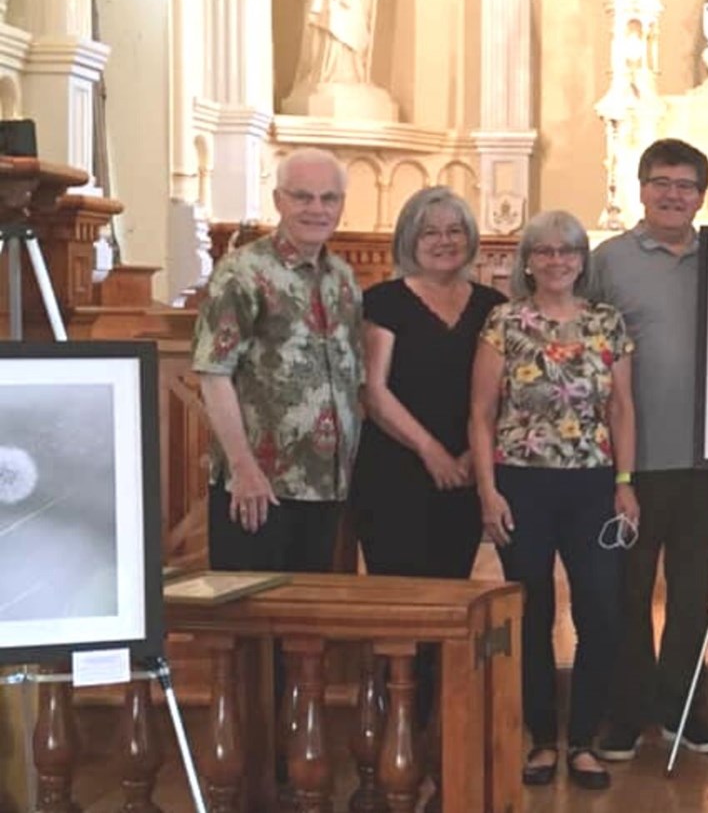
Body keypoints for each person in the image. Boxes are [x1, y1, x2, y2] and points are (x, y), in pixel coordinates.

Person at [469, 210, 637, 791]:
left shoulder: (606, 323)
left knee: (601, 612)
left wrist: (625, 482)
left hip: (593, 483)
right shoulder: (504, 321)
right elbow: (482, 412)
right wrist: (488, 490)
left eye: (568, 250)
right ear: (528, 260)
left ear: (582, 258)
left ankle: (584, 740)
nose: (557, 260)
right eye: (544, 251)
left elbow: (622, 409)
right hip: (522, 482)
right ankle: (542, 738)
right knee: (531, 614)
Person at [589, 139, 708, 762]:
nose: (673, 195)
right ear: (640, 187)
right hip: (633, 457)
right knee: (628, 586)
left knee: (693, 588)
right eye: (661, 183)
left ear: (703, 194)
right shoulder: (608, 261)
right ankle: (628, 712)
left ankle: (681, 709)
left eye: (686, 185)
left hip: (706, 455)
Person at [193, 147, 364, 574]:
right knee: (252, 624)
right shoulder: (242, 272)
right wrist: (243, 468)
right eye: (303, 197)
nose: (317, 209)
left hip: (327, 485)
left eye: (329, 198)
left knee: (306, 626)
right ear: (278, 201)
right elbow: (214, 375)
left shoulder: (343, 279)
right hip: (259, 486)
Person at [353, 186, 505, 579]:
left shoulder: (492, 306)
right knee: (397, 599)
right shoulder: (384, 300)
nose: (445, 241)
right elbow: (373, 389)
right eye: (430, 232)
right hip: (395, 468)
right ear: (409, 239)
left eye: (455, 230)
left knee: (452, 590)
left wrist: (473, 455)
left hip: (467, 470)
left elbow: (504, 393)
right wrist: (431, 452)